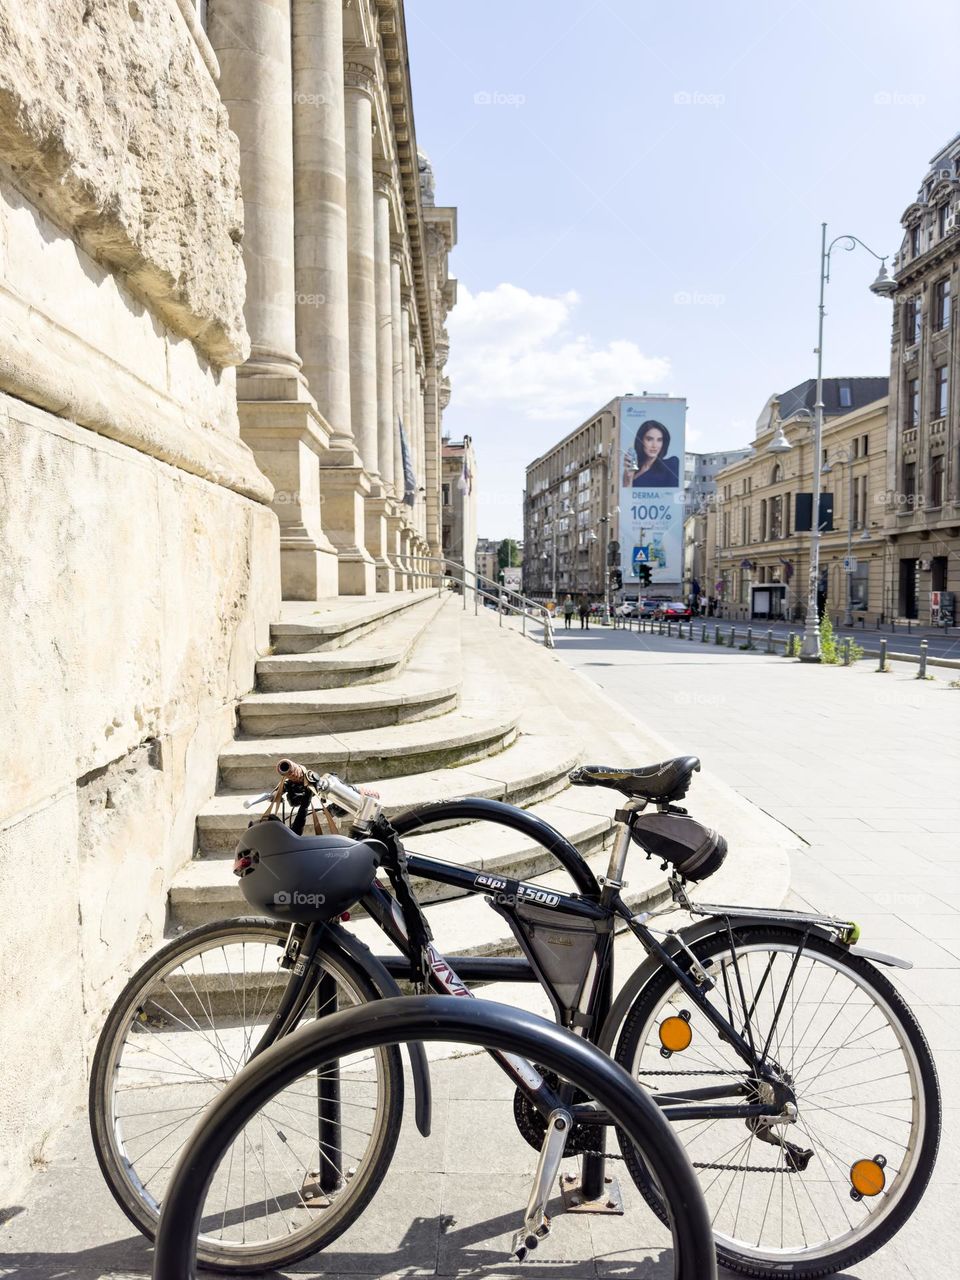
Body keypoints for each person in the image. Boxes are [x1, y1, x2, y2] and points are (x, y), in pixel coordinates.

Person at [621, 421, 680, 488]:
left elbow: (675, 492)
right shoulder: (632, 470)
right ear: (641, 440)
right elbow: (626, 493)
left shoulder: (671, 464)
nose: (654, 445)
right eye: (649, 439)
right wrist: (629, 477)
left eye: (659, 440)